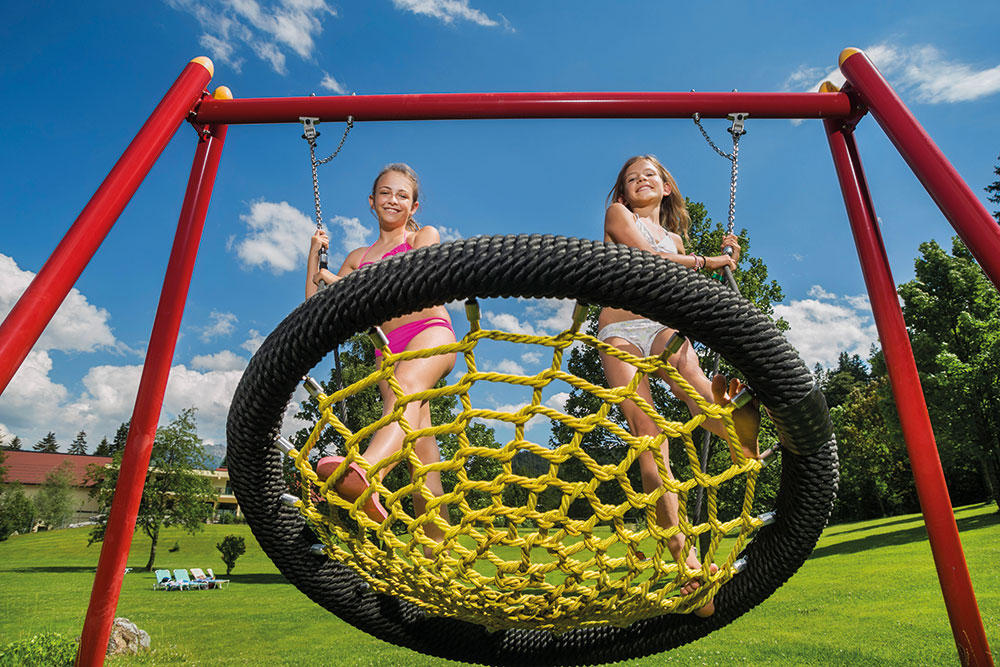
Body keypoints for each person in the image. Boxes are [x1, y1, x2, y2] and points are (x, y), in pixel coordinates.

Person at [598, 154, 761, 617]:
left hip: (661, 328)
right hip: (619, 331)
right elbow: (649, 260)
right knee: (651, 441)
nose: (641, 181)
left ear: (666, 187)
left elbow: (675, 269)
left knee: (694, 388)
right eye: (631, 178)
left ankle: (737, 433)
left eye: (650, 175)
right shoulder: (619, 216)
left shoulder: (675, 236)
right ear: (623, 192)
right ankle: (686, 564)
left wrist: (725, 256)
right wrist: (712, 259)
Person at [306, 163, 456, 552]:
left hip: (429, 331)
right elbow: (314, 307)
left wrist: (344, 287)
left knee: (405, 392)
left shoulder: (425, 235)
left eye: (402, 195)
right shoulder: (359, 256)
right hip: (387, 349)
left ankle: (366, 473)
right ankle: (435, 556)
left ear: (414, 205)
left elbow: (409, 285)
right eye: (386, 193)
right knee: (420, 459)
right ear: (371, 202)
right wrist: (315, 257)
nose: (394, 200)